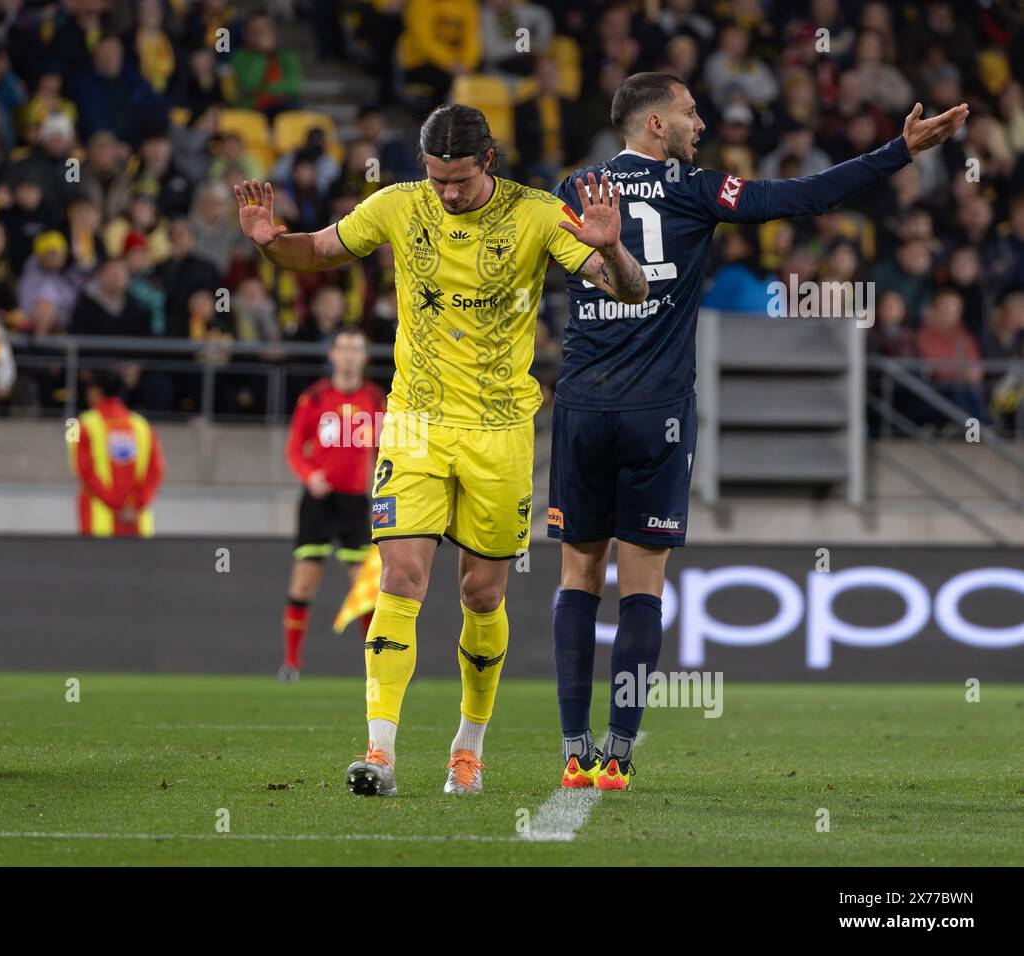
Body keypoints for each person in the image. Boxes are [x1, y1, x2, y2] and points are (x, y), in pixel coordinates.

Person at [547, 72, 968, 792]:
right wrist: (895, 152)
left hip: (582, 405)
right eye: (689, 113)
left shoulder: (573, 191)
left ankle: (574, 749)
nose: (700, 124)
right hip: (658, 413)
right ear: (655, 126)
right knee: (641, 586)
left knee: (577, 576)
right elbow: (801, 197)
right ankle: (618, 754)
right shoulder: (695, 187)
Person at [234, 103, 646, 797]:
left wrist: (610, 247)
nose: (446, 194)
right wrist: (270, 240)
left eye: (456, 180)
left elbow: (629, 291)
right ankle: (380, 751)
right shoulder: (398, 205)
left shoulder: (539, 214)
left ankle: (467, 747)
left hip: (500, 432)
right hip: (416, 424)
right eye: (435, 179)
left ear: (488, 162)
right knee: (399, 579)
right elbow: (322, 249)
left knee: (481, 593)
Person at [279, 327, 386, 682]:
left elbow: (387, 449)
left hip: (356, 504)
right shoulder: (314, 398)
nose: (349, 355)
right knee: (304, 582)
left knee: (366, 589)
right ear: (333, 355)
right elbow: (295, 448)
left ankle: (376, 666)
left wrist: (382, 484)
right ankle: (291, 663)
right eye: (344, 348)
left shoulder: (376, 400)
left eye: (356, 349)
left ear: (364, 357)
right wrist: (310, 476)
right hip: (318, 502)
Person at [68, 370, 165, 537]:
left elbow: (82, 471)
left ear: (95, 391)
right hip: (138, 523)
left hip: (97, 522)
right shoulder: (143, 425)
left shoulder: (75, 425)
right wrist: (135, 506)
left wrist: (116, 505)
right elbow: (156, 471)